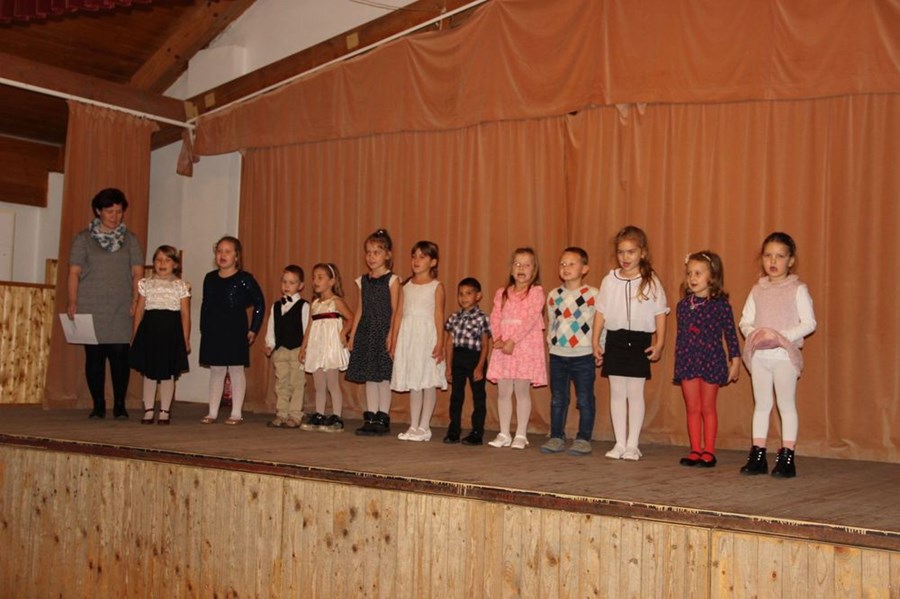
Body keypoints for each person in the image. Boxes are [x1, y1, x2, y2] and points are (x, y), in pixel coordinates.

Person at [739, 232, 816, 478]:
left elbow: (809, 323)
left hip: (784, 356)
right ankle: (758, 455)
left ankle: (787, 457)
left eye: (780, 256)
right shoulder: (757, 290)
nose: (773, 261)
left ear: (790, 260)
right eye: (768, 256)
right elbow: (745, 321)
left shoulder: (797, 289)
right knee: (762, 405)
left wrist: (781, 336)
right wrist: (757, 334)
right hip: (760, 357)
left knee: (786, 405)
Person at [66, 187, 144, 419]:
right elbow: (74, 272)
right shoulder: (83, 239)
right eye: (110, 211)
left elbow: (138, 273)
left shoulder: (130, 240)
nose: (115, 216)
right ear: (98, 211)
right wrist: (72, 300)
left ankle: (119, 405)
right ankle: (98, 405)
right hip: (91, 304)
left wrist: (136, 299)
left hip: (121, 305)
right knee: (94, 357)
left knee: (120, 355)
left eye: (119, 212)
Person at [593, 226, 669, 461]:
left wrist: (659, 343)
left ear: (642, 253)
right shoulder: (610, 280)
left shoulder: (651, 281)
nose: (625, 257)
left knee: (635, 393)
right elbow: (600, 312)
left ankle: (633, 445)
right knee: (617, 392)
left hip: (639, 341)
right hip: (615, 339)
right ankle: (619, 443)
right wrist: (595, 340)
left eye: (631, 252)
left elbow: (660, 313)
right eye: (621, 252)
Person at [673, 251, 740, 468]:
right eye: (689, 273)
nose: (692, 278)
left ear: (712, 276)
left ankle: (709, 450)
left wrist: (735, 360)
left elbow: (731, 334)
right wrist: (679, 361)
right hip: (688, 360)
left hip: (711, 360)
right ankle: (695, 449)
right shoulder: (683, 306)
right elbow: (682, 337)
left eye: (698, 273)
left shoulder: (721, 305)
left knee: (707, 407)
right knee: (692, 407)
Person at [198, 236, 265, 425]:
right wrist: (204, 327)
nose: (222, 255)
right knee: (216, 369)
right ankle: (212, 412)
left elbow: (259, 303)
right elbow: (205, 304)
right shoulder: (210, 278)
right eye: (219, 251)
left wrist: (253, 329)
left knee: (236, 369)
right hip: (214, 329)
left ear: (236, 256)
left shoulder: (244, 279)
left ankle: (236, 413)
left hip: (235, 328)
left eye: (227, 251)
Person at [486, 247, 547, 450]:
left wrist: (513, 340)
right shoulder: (502, 293)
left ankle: (521, 434)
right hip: (504, 347)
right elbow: (495, 316)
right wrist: (498, 337)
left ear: (534, 270)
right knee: (503, 391)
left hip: (524, 347)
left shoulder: (536, 293)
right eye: (517, 264)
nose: (521, 268)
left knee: (521, 391)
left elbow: (530, 319)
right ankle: (504, 433)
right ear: (511, 269)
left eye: (526, 265)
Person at [541, 247, 599, 456]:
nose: (566, 268)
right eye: (563, 264)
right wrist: (551, 343)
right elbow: (551, 321)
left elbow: (600, 323)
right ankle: (557, 436)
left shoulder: (593, 294)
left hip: (583, 355)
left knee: (584, 399)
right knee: (558, 398)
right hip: (558, 355)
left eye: (572, 264)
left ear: (585, 269)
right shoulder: (553, 295)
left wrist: (598, 346)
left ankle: (583, 438)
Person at [391, 241, 447, 442]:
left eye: (422, 257)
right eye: (414, 256)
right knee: (415, 382)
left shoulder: (436, 287)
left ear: (433, 262)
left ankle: (424, 427)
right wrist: (394, 339)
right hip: (410, 338)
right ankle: (414, 425)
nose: (416, 260)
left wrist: (440, 342)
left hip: (427, 337)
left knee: (428, 381)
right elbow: (399, 314)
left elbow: (439, 316)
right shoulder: (405, 286)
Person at [346, 229, 400, 436]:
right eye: (368, 252)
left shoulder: (392, 280)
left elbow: (396, 310)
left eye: (376, 252)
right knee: (370, 375)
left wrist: (392, 334)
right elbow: (360, 308)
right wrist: (353, 333)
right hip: (366, 330)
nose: (371, 257)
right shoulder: (363, 280)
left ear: (387, 255)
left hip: (383, 330)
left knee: (383, 375)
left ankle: (382, 417)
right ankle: (370, 416)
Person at [129, 245, 191, 425]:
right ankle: (148, 409)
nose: (162, 264)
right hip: (150, 332)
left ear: (175, 264)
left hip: (170, 333)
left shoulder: (181, 286)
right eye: (158, 260)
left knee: (167, 373)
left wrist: (185, 338)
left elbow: (185, 314)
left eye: (167, 260)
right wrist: (135, 334)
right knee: (149, 372)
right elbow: (140, 310)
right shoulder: (146, 284)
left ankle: (165, 410)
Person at [299, 263, 354, 432]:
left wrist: (343, 333)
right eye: (314, 277)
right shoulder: (315, 304)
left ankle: (336, 416)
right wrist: (303, 347)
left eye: (320, 277)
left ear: (331, 281)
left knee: (332, 383)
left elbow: (351, 318)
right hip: (317, 346)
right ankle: (320, 414)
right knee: (319, 384)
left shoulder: (336, 302)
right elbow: (309, 327)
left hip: (330, 347)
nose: (315, 281)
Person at [443, 277, 492, 446]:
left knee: (478, 396)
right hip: (458, 358)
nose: (464, 297)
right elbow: (449, 343)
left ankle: (477, 432)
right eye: (461, 294)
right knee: (456, 396)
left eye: (468, 293)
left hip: (475, 358)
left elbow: (485, 344)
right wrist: (448, 366)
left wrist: (480, 366)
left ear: (478, 296)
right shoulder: (454, 317)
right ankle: (454, 430)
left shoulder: (482, 318)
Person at [264, 265, 309, 429]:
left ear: (300, 285)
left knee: (297, 383)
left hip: (297, 350)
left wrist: (305, 348)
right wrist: (270, 343)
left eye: (291, 282)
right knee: (281, 383)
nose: (287, 286)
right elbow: (271, 326)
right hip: (280, 350)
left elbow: (307, 329)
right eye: (284, 282)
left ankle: (295, 415)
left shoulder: (304, 306)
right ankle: (281, 413)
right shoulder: (276, 306)